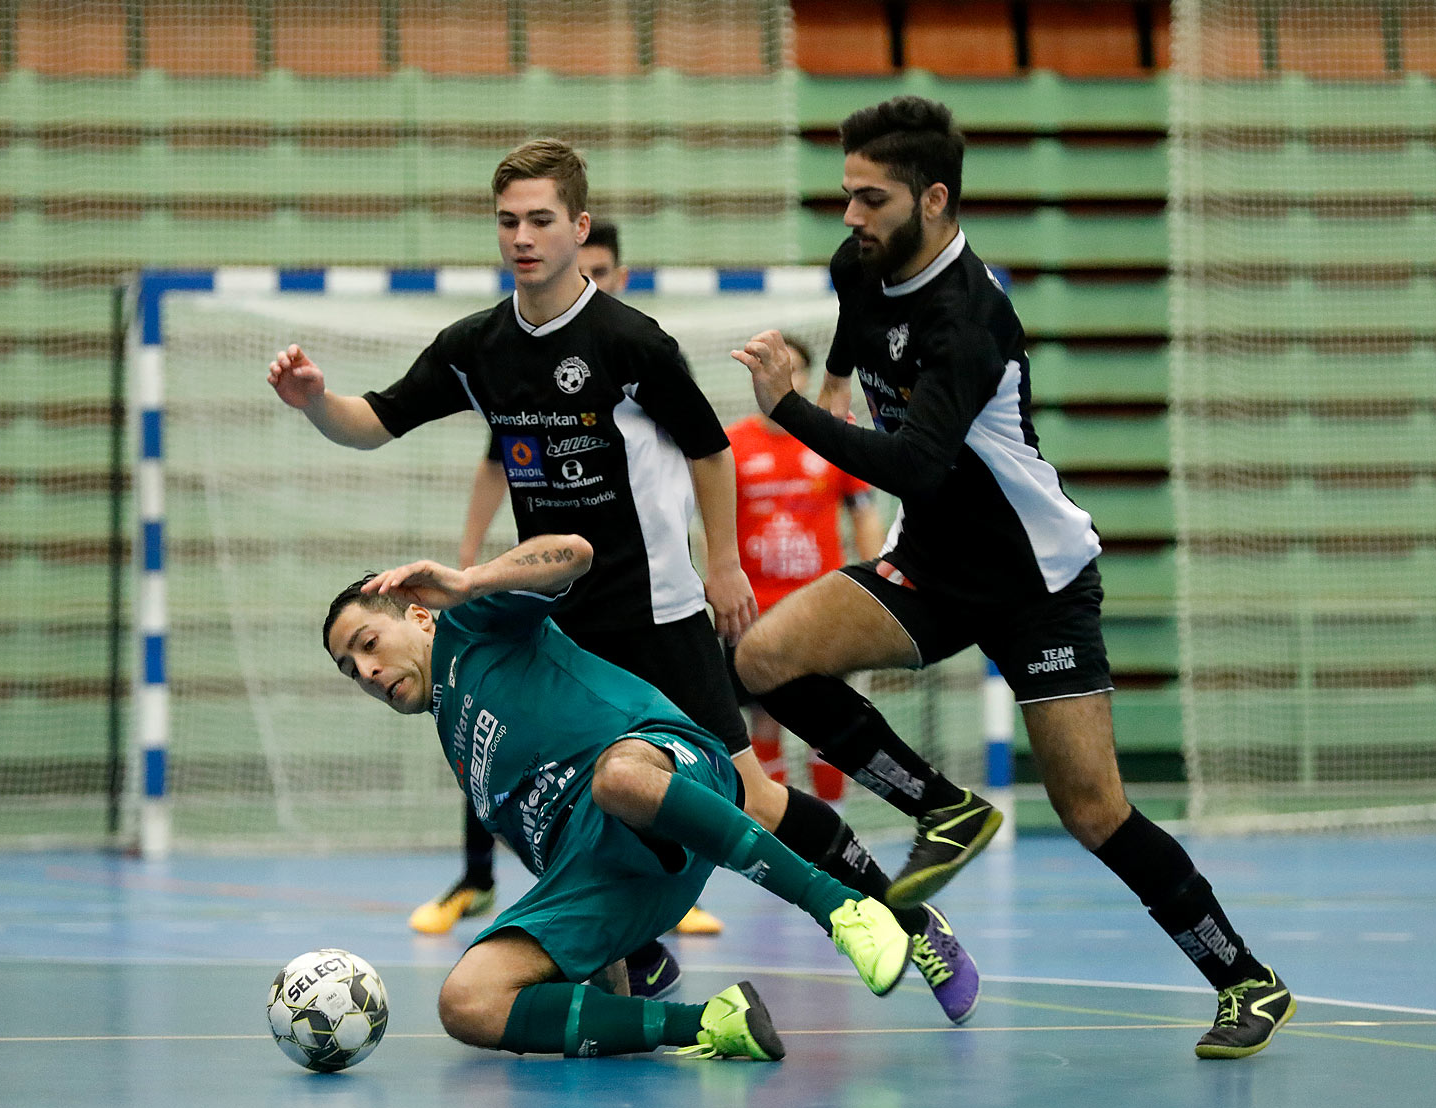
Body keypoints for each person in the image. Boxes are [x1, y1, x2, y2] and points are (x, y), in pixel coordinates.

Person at [267, 138, 979, 1023]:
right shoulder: (476, 348)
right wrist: (315, 406)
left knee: (752, 794)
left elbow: (710, 447)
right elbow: (374, 420)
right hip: (552, 621)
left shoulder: (628, 341)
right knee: (544, 794)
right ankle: (634, 959)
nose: (521, 237)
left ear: (578, 228)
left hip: (655, 615)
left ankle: (904, 922)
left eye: (539, 220)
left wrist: (721, 566)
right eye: (507, 222)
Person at [730, 95, 1293, 1059]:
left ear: (934, 199)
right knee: (762, 658)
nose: (852, 218)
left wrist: (787, 410)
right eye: (845, 197)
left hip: (1037, 581)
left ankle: (1247, 980)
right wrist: (817, 376)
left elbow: (914, 463)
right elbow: (860, 352)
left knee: (1093, 811)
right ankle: (941, 806)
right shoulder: (856, 268)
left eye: (871, 199)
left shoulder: (973, 316)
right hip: (934, 565)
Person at [321, 534, 912, 1061]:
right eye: (351, 670)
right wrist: (610, 985)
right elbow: (563, 869)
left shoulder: (469, 622)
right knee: (466, 1001)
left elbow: (575, 553)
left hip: (663, 768)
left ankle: (841, 907)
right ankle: (712, 1023)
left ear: (420, 618)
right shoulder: (460, 751)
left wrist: (470, 580)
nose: (367, 671)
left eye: (368, 643)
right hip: (620, 872)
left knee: (617, 780)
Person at [421, 222, 724, 942]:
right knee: (501, 727)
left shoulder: (639, 353)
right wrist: (468, 563)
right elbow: (499, 458)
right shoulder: (522, 367)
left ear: (618, 274)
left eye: (601, 267)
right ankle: (475, 880)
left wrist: (720, 563)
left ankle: (676, 883)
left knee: (674, 746)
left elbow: (706, 455)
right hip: (561, 588)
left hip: (651, 595)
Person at [727, 337, 884, 804]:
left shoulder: (831, 437)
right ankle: (782, 827)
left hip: (821, 605)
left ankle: (834, 823)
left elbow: (864, 513)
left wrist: (872, 583)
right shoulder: (731, 445)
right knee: (764, 717)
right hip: (755, 609)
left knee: (827, 718)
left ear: (807, 378)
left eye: (792, 369)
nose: (781, 377)